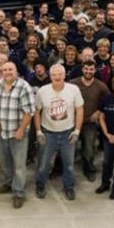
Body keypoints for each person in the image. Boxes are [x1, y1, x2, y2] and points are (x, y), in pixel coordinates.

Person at [33, 64, 84, 201]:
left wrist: (77, 131)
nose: (57, 77)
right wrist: (38, 131)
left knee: (68, 163)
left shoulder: (73, 89)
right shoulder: (42, 91)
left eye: (59, 74)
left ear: (64, 75)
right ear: (50, 76)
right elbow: (37, 112)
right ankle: (40, 184)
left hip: (68, 132)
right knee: (44, 163)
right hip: (48, 132)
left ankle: (69, 186)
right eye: (54, 74)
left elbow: (79, 109)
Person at [0, 61, 35, 209]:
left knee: (19, 165)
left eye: (10, 69)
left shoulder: (24, 87)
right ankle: (9, 183)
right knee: (4, 161)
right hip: (3, 131)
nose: (7, 72)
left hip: (18, 132)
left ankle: (19, 192)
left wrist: (21, 129)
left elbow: (29, 111)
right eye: (5, 70)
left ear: (16, 71)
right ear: (1, 72)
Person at [70, 60, 110, 181]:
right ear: (82, 69)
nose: (88, 71)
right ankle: (62, 168)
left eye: (91, 69)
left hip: (90, 122)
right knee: (69, 147)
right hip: (74, 121)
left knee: (89, 148)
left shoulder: (100, 85)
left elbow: (108, 100)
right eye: (86, 69)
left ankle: (89, 169)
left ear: (95, 70)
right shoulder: (73, 83)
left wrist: (98, 112)